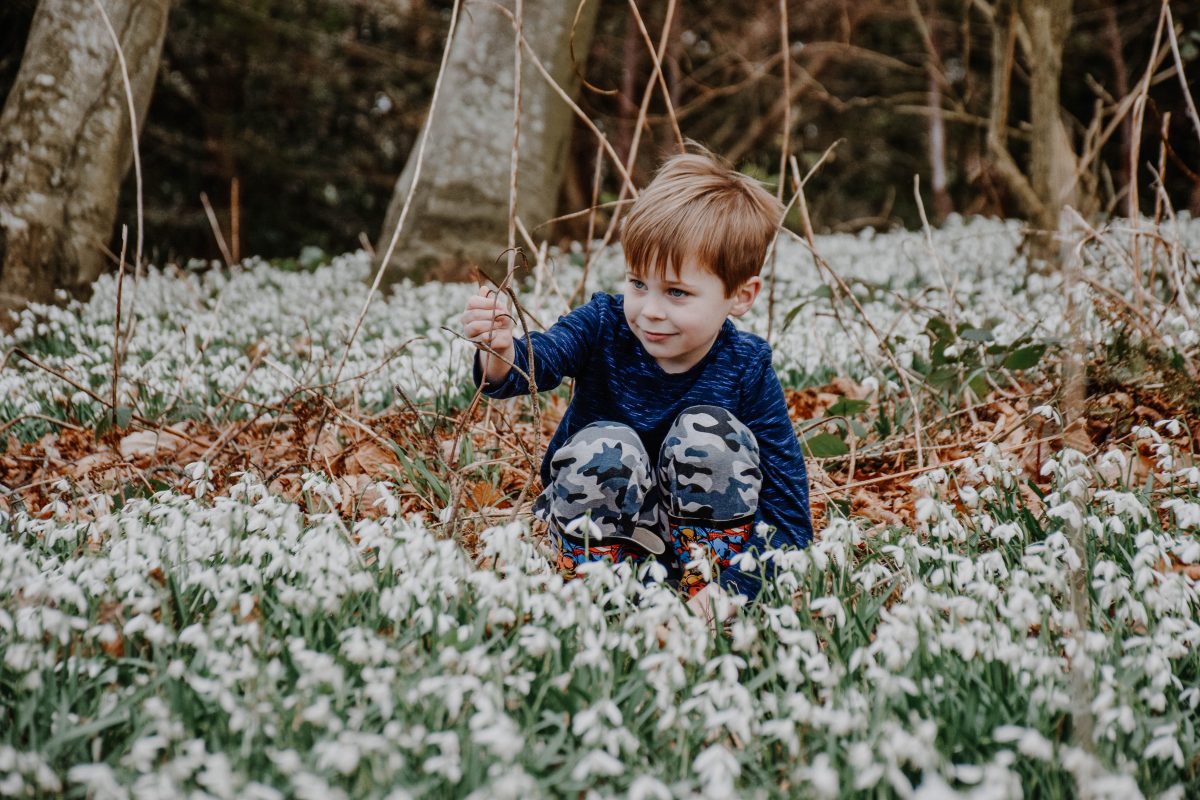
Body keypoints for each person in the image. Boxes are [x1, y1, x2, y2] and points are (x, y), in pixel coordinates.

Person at [460, 147, 813, 615]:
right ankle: (590, 584)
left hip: (700, 555)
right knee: (609, 445)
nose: (649, 310)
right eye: (638, 283)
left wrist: (736, 589)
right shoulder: (604, 323)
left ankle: (701, 586)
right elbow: (536, 363)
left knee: (709, 436)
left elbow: (788, 509)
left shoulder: (746, 365)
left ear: (741, 295)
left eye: (677, 292)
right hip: (595, 519)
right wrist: (501, 352)